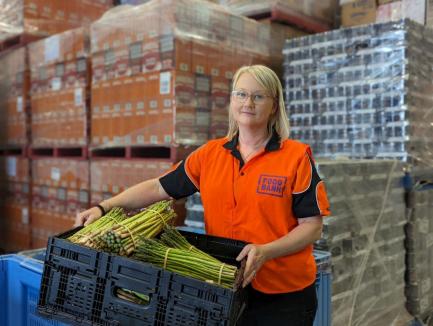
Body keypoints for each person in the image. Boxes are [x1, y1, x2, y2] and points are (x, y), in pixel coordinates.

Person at [76, 65, 330, 326]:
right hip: (226, 285)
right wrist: (104, 207)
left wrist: (266, 251)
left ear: (274, 106)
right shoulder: (210, 155)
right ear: (232, 101)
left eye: (259, 96)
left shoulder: (296, 157)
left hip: (284, 297)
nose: (248, 103)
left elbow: (312, 227)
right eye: (241, 94)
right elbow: (157, 187)